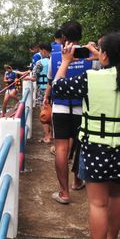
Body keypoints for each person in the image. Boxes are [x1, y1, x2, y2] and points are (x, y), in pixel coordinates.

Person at [53, 33, 120, 239]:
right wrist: (102, 57)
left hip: (95, 149)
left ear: (106, 55)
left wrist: (65, 62)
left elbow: (58, 88)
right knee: (117, 196)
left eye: (101, 50)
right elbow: (114, 74)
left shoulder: (91, 78)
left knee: (98, 203)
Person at [46, 21, 91, 203]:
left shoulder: (56, 55)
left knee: (61, 149)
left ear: (63, 36)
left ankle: (64, 193)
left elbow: (51, 80)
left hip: (61, 108)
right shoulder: (89, 54)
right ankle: (78, 181)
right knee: (80, 145)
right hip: (83, 108)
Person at [30, 43, 52, 143]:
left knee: (44, 114)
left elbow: (34, 78)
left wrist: (25, 78)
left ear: (43, 51)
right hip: (52, 90)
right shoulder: (54, 61)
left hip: (42, 90)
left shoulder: (39, 63)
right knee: (51, 112)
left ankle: (47, 136)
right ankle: (51, 134)